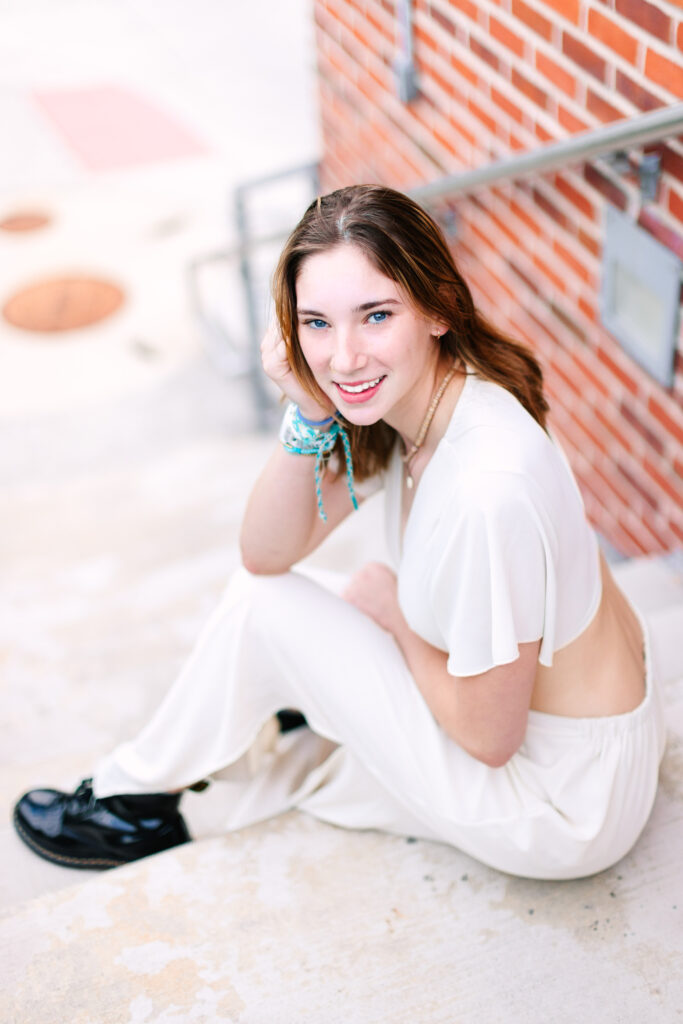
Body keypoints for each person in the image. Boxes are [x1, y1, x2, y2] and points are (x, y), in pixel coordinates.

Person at [13, 185, 665, 880]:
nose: (344, 357)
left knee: (265, 615)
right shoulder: (427, 397)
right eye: (316, 323)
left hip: (561, 804)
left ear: (438, 307)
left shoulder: (484, 491)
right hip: (586, 745)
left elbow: (488, 737)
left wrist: (394, 619)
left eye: (375, 316)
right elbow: (267, 552)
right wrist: (309, 414)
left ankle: (131, 803)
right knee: (268, 605)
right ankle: (170, 772)